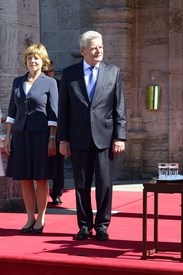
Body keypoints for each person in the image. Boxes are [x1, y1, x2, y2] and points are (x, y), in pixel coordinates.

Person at [58, 30, 127, 241]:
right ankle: (85, 225)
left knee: (105, 184)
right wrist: (62, 139)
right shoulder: (70, 74)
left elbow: (119, 107)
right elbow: (63, 110)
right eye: (94, 48)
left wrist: (120, 137)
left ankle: (103, 225)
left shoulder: (113, 72)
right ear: (82, 51)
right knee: (81, 185)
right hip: (78, 138)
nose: (99, 51)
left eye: (101, 47)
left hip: (105, 138)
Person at [4, 43, 58, 234]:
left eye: (35, 58)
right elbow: (12, 111)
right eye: (29, 58)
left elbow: (53, 113)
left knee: (41, 178)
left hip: (41, 135)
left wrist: (52, 138)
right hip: (20, 135)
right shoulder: (17, 82)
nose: (32, 61)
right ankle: (29, 218)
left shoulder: (50, 82)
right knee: (25, 178)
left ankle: (41, 218)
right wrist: (8, 137)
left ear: (42, 61)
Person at [44, 60, 65, 205]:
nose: (49, 74)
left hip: (57, 129)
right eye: (46, 72)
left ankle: (57, 192)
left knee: (58, 163)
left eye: (51, 71)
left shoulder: (59, 85)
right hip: (40, 128)